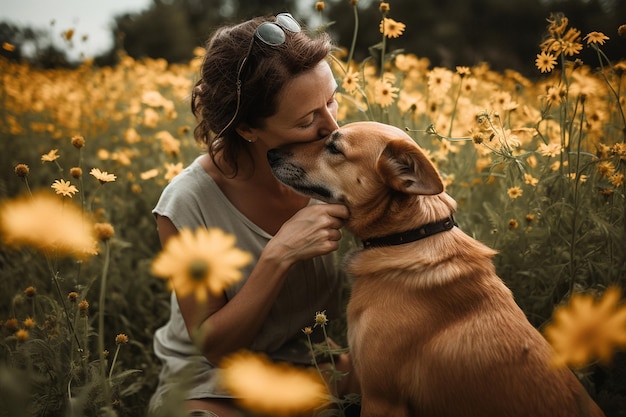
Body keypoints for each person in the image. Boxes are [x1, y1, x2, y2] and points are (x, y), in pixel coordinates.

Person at [148, 12, 359, 417]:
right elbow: (213, 347)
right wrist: (278, 255)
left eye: (331, 99)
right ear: (247, 128)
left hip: (319, 366)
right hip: (217, 383)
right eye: (307, 119)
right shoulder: (188, 203)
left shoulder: (343, 165)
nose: (333, 127)